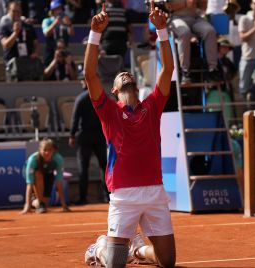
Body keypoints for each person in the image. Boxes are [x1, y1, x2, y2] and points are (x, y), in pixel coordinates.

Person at [83, 2, 176, 267]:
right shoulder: (109, 112)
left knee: (166, 262)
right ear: (113, 90)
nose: (125, 73)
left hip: (155, 192)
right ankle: (100, 247)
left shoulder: (152, 106)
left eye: (128, 73)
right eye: (119, 76)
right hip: (123, 195)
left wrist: (162, 30)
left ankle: (138, 250)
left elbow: (168, 70)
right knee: (114, 264)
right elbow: (90, 74)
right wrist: (95, 34)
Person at [68, 73, 109, 205]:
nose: (81, 83)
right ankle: (108, 196)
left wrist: (72, 135)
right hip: (100, 135)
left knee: (83, 167)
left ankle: (83, 198)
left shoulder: (80, 98)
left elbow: (75, 119)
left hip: (85, 135)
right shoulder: (102, 97)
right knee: (104, 166)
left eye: (82, 81)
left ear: (86, 82)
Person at [167, 0, 220, 85]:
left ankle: (212, 69)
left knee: (210, 31)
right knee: (185, 32)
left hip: (195, 18)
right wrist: (185, 3)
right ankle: (185, 72)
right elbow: (167, 6)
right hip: (176, 18)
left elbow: (203, 8)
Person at [21, 138, 70, 214]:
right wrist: (27, 205)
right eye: (44, 150)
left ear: (53, 150)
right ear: (40, 150)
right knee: (38, 174)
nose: (47, 152)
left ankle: (36, 202)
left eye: (50, 150)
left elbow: (59, 183)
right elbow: (29, 184)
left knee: (44, 204)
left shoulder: (58, 160)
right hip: (33, 174)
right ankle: (36, 203)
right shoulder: (33, 160)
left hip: (48, 173)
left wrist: (64, 204)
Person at [42, 0, 75, 66]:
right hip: (51, 51)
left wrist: (69, 24)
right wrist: (56, 22)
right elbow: (46, 33)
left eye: (60, 8)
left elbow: (72, 34)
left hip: (64, 51)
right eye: (56, 9)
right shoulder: (47, 20)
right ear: (52, 10)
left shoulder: (66, 20)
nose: (59, 11)